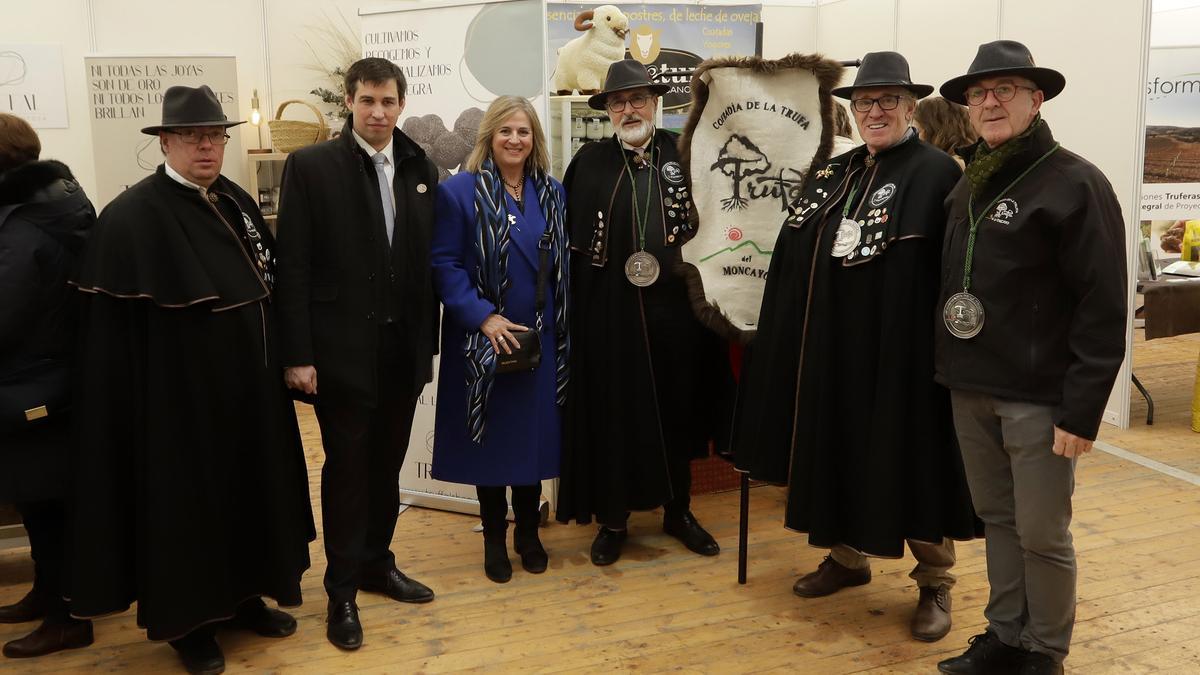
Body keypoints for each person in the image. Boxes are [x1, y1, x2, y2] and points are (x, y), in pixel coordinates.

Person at [730, 52, 980, 643]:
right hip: (830, 353)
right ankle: (846, 559)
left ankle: (935, 580)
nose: (874, 112)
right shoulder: (833, 176)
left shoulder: (937, 175)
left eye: (887, 101)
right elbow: (797, 259)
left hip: (901, 359)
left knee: (908, 463)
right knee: (835, 454)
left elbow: (953, 274)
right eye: (864, 102)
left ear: (910, 107)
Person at [69, 85, 315, 674]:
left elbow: (266, 283)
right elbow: (114, 340)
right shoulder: (131, 217)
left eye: (215, 136)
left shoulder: (233, 198)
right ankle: (191, 626)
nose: (207, 147)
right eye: (192, 137)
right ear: (166, 142)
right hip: (179, 405)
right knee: (190, 510)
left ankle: (247, 597)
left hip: (251, 395)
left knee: (253, 493)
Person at [934, 41, 1127, 675]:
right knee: (996, 518)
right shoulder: (969, 181)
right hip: (972, 387)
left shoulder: (1074, 182)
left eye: (1005, 90)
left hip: (1039, 399)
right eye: (978, 94)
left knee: (1043, 532)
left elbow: (1100, 306)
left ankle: (1045, 651)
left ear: (1036, 99)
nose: (989, 102)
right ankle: (1005, 636)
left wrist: (1082, 409)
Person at [275, 57, 439, 651]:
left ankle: (376, 563)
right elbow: (291, 264)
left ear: (401, 104)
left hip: (403, 348)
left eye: (388, 102)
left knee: (387, 463)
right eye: (367, 100)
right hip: (340, 351)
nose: (378, 112)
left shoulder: (421, 166)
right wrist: (298, 353)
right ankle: (340, 589)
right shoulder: (311, 166)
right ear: (350, 101)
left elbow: (426, 260)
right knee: (347, 467)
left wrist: (431, 342)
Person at [556, 59, 732, 566]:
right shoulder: (588, 163)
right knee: (615, 414)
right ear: (608, 110)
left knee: (679, 408)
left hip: (676, 314)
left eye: (636, 99)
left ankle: (679, 510)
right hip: (610, 318)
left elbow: (718, 224)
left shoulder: (687, 153)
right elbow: (570, 248)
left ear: (654, 103)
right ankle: (614, 521)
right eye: (617, 102)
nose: (628, 109)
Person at [429, 96, 568, 584]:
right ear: (489, 136)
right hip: (486, 342)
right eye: (505, 130)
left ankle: (528, 534)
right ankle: (493, 540)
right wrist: (484, 318)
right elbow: (444, 265)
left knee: (530, 443)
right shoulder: (459, 192)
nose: (515, 139)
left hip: (540, 339)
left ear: (535, 141)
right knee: (491, 444)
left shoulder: (553, 193)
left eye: (524, 132)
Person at [0, 114, 95, 659]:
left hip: (31, 384)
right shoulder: (60, 205)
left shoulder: (20, 226)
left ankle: (66, 619)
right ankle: (47, 594)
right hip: (56, 381)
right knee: (43, 503)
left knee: (47, 504)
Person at [913, 96, 978, 167]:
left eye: (918, 131)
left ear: (934, 131)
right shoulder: (978, 158)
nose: (915, 138)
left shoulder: (946, 166)